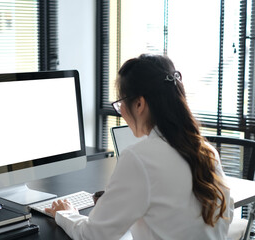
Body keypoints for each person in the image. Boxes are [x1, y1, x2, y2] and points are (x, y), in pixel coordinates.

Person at [45, 54, 234, 240]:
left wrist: (66, 213)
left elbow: (93, 235)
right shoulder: (206, 151)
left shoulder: (139, 158)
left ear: (139, 103)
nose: (122, 113)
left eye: (120, 104)